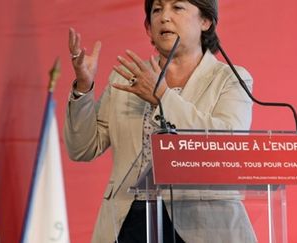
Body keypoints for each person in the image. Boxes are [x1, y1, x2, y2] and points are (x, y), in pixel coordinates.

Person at [64, 0, 257, 242]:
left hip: (202, 227)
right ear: (148, 27)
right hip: (129, 223)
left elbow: (227, 144)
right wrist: (83, 88)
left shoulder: (229, 79)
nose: (164, 17)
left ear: (205, 21)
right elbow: (83, 148)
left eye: (177, 7)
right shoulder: (127, 78)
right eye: (157, 9)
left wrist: (162, 97)